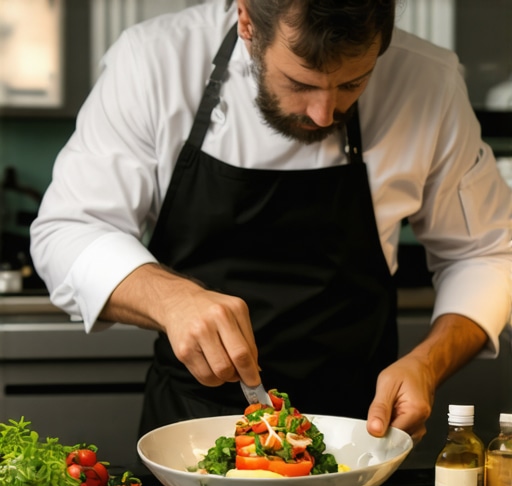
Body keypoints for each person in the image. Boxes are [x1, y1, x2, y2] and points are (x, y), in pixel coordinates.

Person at [30, 0, 512, 445]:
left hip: (361, 429)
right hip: (189, 430)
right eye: (300, 83)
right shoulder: (154, 62)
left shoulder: (427, 78)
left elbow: (487, 251)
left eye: (352, 83)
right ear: (246, 22)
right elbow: (67, 231)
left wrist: (428, 364)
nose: (324, 113)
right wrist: (171, 298)